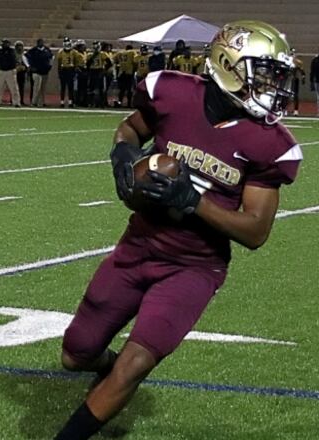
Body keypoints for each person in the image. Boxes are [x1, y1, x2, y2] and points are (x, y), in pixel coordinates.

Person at [53, 20, 301, 440]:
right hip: (138, 244)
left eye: (275, 76)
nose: (272, 86)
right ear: (228, 64)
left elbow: (255, 231)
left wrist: (194, 201)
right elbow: (132, 127)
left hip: (194, 266)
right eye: (263, 74)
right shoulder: (172, 93)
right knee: (75, 355)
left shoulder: (269, 143)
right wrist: (123, 153)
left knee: (136, 364)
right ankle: (108, 370)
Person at [26, 39, 54, 107]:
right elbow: (25, 56)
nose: (41, 43)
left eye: (42, 42)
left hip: (45, 72)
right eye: (39, 42)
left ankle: (41, 102)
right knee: (36, 88)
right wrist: (28, 66)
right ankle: (34, 102)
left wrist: (50, 65)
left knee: (43, 88)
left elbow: (52, 57)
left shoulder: (47, 50)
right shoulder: (33, 50)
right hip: (36, 72)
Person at [0, 39, 21, 107]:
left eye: (5, 43)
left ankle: (16, 102)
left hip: (10, 71)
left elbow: (12, 59)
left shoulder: (11, 51)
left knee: (14, 88)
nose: (4, 45)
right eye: (3, 43)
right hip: (1, 71)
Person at [87, 41, 112, 108]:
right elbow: (87, 64)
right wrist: (93, 56)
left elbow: (109, 63)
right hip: (92, 71)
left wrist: (104, 70)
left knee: (101, 88)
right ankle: (91, 103)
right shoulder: (90, 54)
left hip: (99, 70)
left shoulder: (102, 54)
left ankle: (101, 103)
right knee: (91, 88)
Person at [289, 48, 305, 116]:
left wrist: (303, 78)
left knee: (295, 95)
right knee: (285, 94)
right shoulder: (286, 60)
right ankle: (284, 109)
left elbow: (302, 71)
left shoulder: (297, 62)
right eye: (291, 53)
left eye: (293, 53)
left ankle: (296, 110)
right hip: (287, 79)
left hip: (294, 79)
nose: (292, 54)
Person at [13, 41, 28, 106]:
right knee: (14, 87)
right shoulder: (13, 54)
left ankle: (21, 100)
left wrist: (24, 67)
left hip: (22, 72)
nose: (19, 48)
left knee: (21, 87)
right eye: (18, 46)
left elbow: (27, 63)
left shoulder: (25, 54)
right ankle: (13, 100)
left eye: (20, 46)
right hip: (14, 72)